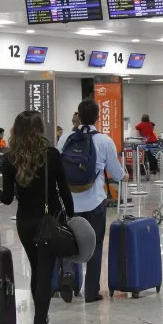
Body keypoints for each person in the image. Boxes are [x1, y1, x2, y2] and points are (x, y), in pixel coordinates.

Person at [0, 111, 73, 324]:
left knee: (37, 269)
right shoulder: (51, 155)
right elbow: (64, 190)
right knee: (45, 272)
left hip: (25, 222)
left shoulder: (10, 159)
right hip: (50, 221)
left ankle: (41, 320)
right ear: (39, 130)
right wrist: (72, 219)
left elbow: (8, 198)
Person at [58, 99, 126, 304]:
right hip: (94, 203)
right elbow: (116, 173)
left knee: (69, 241)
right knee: (94, 245)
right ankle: (90, 291)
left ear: (78, 115)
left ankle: (68, 275)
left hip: (69, 202)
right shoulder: (104, 141)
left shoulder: (65, 138)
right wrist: (124, 176)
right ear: (98, 117)